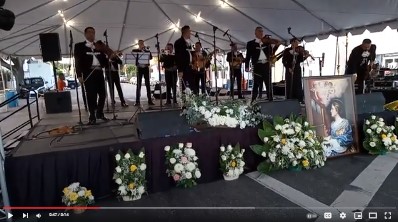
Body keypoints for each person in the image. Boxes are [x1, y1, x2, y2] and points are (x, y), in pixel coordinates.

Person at [74, 26, 109, 125]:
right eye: (89, 32)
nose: (91, 34)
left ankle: (99, 113)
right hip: (88, 72)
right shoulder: (79, 46)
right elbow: (77, 61)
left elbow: (104, 61)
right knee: (91, 95)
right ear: (85, 34)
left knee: (103, 94)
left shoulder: (99, 46)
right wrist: (79, 75)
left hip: (98, 72)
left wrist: (108, 58)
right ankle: (92, 116)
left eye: (93, 33)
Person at [245, 27, 280, 103]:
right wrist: (247, 66)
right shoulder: (250, 44)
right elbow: (248, 56)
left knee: (268, 83)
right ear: (255, 33)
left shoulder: (267, 43)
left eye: (262, 31)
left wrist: (276, 45)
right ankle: (253, 100)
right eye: (259, 31)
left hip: (266, 65)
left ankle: (270, 99)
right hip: (257, 65)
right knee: (256, 84)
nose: (261, 33)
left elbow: (271, 53)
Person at [282, 38, 308, 103]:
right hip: (289, 69)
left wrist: (305, 57)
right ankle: (290, 99)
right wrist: (288, 68)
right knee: (290, 84)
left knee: (298, 84)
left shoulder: (299, 50)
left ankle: (299, 99)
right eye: (296, 42)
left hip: (297, 69)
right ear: (292, 43)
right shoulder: (287, 50)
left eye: (297, 43)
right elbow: (284, 61)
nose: (297, 44)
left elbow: (300, 60)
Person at [132, 40, 154, 106]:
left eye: (142, 43)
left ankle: (150, 100)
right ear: (138, 44)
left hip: (146, 68)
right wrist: (140, 50)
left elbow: (151, 57)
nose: (142, 44)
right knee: (138, 85)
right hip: (139, 68)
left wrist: (145, 50)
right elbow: (133, 53)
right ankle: (137, 101)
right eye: (140, 43)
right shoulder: (136, 50)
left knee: (147, 84)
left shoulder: (147, 50)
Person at [174, 25, 194, 93]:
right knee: (184, 86)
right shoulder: (179, 42)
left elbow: (189, 54)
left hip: (190, 67)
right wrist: (180, 70)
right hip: (183, 67)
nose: (190, 33)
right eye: (189, 31)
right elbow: (178, 57)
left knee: (190, 86)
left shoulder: (188, 42)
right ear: (185, 32)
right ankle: (184, 102)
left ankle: (190, 100)